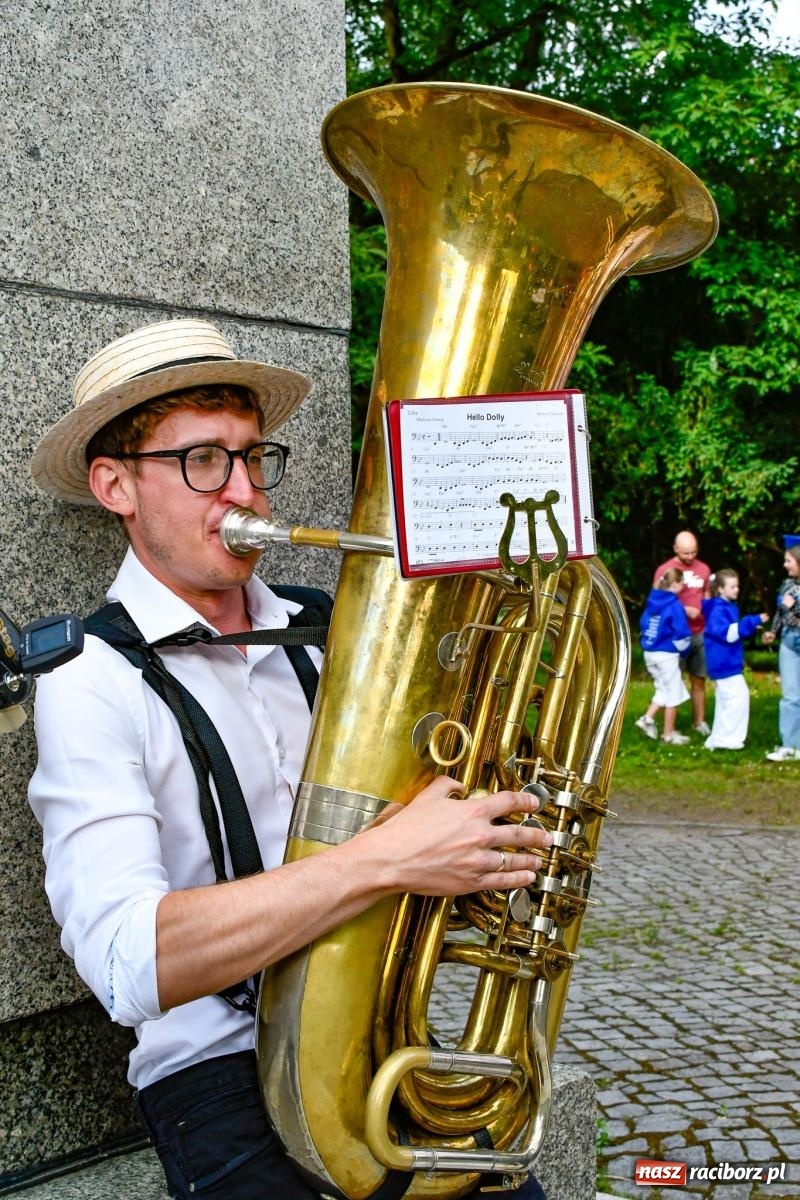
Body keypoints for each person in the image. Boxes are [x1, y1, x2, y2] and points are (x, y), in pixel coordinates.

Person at [27, 320, 551, 1200]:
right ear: (116, 484)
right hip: (220, 1079)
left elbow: (424, 825)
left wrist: (480, 846)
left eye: (251, 458)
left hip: (389, 1038)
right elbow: (127, 963)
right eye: (202, 462)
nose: (243, 493)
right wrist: (389, 859)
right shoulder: (89, 679)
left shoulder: (330, 631)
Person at [701, 569, 769, 751]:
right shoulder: (718, 610)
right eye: (732, 586)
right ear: (721, 589)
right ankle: (728, 740)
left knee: (727, 700)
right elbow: (728, 634)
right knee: (736, 698)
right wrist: (752, 621)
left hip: (724, 662)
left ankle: (719, 738)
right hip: (724, 663)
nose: (737, 589)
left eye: (737, 586)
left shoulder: (724, 607)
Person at [654, 531, 712, 735]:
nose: (690, 557)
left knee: (699, 679)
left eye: (693, 552)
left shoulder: (703, 569)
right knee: (671, 681)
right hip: (673, 636)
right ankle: (668, 727)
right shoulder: (665, 570)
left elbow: (706, 595)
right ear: (675, 549)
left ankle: (699, 722)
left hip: (698, 632)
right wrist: (683, 610)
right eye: (686, 553)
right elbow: (656, 600)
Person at [636, 567, 692, 744]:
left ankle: (647, 719)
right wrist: (683, 651)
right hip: (666, 654)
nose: (683, 586)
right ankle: (668, 734)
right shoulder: (674, 605)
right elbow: (682, 633)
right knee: (674, 693)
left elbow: (643, 624)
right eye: (682, 582)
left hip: (649, 652)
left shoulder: (652, 602)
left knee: (663, 689)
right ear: (675, 584)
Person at [762, 542, 800, 762]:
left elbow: (790, 609)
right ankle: (790, 745)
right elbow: (780, 612)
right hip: (789, 642)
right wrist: (773, 632)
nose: (785, 565)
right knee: (790, 696)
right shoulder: (787, 585)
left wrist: (793, 601)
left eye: (789, 561)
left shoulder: (793, 591)